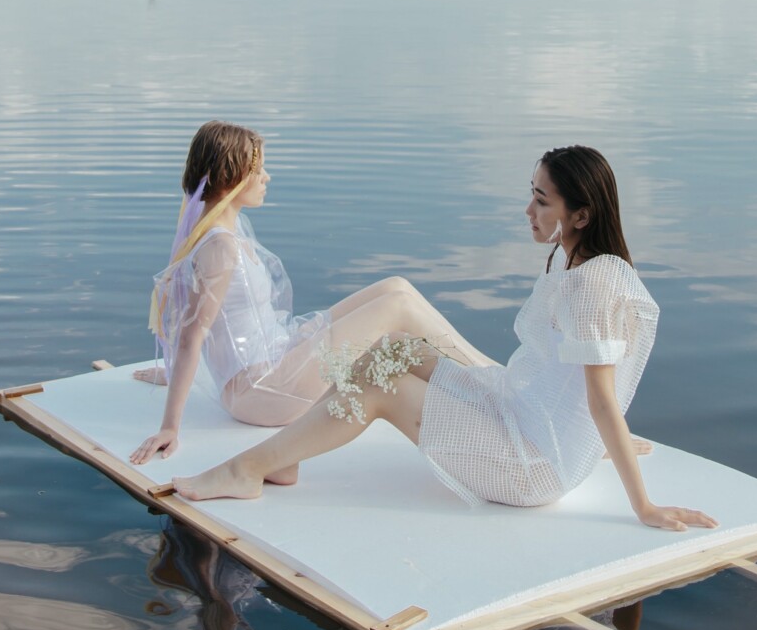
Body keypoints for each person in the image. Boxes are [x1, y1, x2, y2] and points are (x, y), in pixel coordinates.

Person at [166, 145, 716, 531]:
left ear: (582, 214)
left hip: (531, 465)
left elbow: (600, 399)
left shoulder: (591, 287)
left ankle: (246, 470)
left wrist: (643, 504)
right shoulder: (582, 265)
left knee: (381, 388)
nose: (529, 210)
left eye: (543, 202)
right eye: (532, 194)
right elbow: (577, 389)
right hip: (523, 416)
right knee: (391, 349)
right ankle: (285, 458)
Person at [130, 121, 494, 469]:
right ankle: (494, 386)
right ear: (231, 176)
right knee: (395, 307)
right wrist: (170, 426)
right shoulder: (219, 247)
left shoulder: (219, 225)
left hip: (273, 359)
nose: (266, 178)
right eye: (258, 171)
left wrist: (172, 371)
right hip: (260, 392)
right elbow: (194, 335)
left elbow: (196, 319)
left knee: (395, 287)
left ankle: (490, 378)